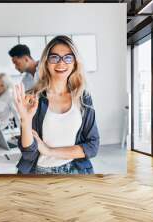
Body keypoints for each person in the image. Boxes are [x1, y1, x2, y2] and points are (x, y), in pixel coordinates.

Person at [13, 35, 100, 175]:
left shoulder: (83, 97)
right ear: (46, 62)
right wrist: (25, 120)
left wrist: (49, 151)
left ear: (75, 62)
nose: (61, 63)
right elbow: (29, 154)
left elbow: (92, 146)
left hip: (75, 170)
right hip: (39, 172)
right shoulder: (34, 97)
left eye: (68, 57)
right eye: (54, 57)